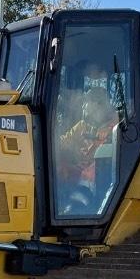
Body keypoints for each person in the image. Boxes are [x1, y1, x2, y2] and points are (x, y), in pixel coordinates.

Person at [55, 61, 120, 213]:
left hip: (102, 179)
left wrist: (110, 128)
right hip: (79, 174)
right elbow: (64, 142)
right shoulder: (82, 125)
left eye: (86, 103)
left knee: (88, 173)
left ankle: (79, 206)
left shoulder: (116, 125)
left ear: (99, 105)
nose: (83, 107)